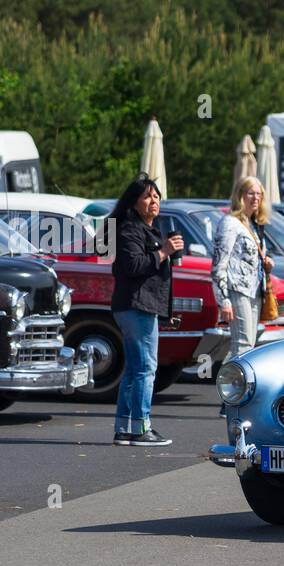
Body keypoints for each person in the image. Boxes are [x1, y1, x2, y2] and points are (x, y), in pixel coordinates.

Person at [106, 175, 183, 446]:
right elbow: (133, 267)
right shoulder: (129, 229)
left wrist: (166, 252)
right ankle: (141, 429)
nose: (154, 201)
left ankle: (125, 428)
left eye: (157, 196)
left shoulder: (148, 230)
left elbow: (151, 275)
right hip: (135, 307)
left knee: (135, 369)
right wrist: (163, 252)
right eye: (148, 196)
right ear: (134, 202)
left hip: (141, 306)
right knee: (145, 369)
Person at [213, 176, 276, 360]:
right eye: (251, 193)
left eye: (259, 194)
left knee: (249, 343)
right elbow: (219, 264)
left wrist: (267, 264)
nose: (255, 198)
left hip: (255, 291)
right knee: (243, 344)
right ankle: (236, 386)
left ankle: (238, 383)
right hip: (237, 290)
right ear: (240, 196)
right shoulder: (230, 223)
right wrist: (223, 300)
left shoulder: (255, 225)